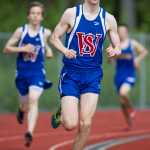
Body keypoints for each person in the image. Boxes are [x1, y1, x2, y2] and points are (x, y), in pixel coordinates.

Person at [50, 0, 121, 149]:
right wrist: (65, 51)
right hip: (71, 74)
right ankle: (62, 113)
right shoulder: (72, 14)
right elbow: (54, 37)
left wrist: (115, 50)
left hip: (93, 75)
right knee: (70, 124)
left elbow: (118, 45)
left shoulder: (108, 19)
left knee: (86, 123)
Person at [3, 1, 53, 147]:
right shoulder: (21, 31)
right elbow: (6, 49)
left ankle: (29, 132)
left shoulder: (46, 32)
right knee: (25, 104)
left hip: (37, 73)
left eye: (38, 13)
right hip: (22, 74)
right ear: (28, 16)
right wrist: (23, 48)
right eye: (33, 13)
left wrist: (48, 50)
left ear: (42, 17)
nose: (35, 16)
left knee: (33, 99)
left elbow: (47, 47)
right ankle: (21, 109)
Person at [113, 24, 148, 128]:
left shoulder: (132, 43)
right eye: (119, 31)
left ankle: (131, 108)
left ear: (126, 32)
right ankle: (129, 122)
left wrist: (137, 59)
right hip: (119, 74)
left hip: (130, 73)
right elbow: (110, 58)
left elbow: (144, 51)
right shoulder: (115, 44)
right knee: (122, 102)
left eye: (123, 31)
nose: (121, 33)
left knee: (123, 93)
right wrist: (115, 56)